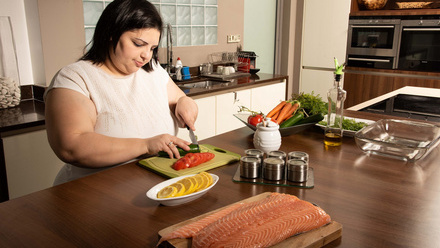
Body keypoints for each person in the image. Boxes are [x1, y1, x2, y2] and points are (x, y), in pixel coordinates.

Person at [44, 0, 198, 185]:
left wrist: (185, 103)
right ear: (111, 33)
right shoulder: (75, 78)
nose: (146, 56)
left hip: (157, 189)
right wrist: (146, 145)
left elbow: (180, 98)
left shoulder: (153, 70)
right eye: (138, 43)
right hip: (91, 196)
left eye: (152, 48)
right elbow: (71, 147)